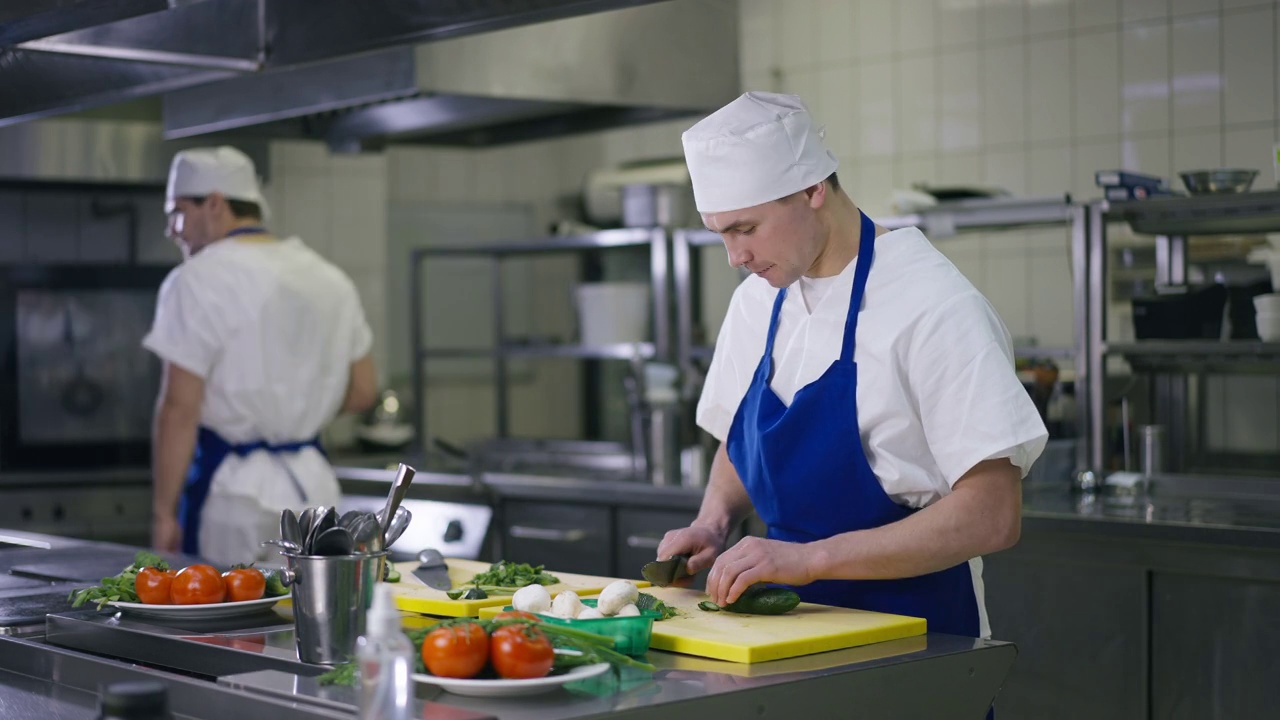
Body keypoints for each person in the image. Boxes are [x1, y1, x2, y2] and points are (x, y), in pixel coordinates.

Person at [657, 92, 1048, 644]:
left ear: (814, 188)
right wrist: (713, 522)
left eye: (746, 229)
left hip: (913, 637)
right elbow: (740, 440)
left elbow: (992, 515)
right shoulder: (757, 301)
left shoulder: (934, 305)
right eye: (720, 233)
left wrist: (810, 559)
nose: (734, 257)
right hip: (777, 634)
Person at [143, 146, 378, 565]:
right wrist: (298, 406)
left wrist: (163, 513)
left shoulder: (194, 280)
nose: (172, 230)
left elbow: (179, 408)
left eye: (177, 212)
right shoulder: (330, 278)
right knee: (314, 616)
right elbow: (363, 391)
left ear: (214, 203)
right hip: (315, 489)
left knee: (230, 624)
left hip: (234, 498)